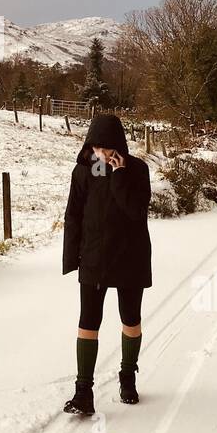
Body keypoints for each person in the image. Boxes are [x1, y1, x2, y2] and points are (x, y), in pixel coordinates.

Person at [61, 113, 152, 416]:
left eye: (107, 149)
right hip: (94, 259)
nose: (101, 155)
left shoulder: (138, 169)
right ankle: (83, 392)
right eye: (96, 148)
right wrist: (72, 258)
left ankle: (128, 376)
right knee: (88, 322)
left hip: (130, 257)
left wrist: (120, 174)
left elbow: (136, 212)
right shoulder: (84, 172)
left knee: (131, 319)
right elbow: (73, 215)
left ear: (119, 146)